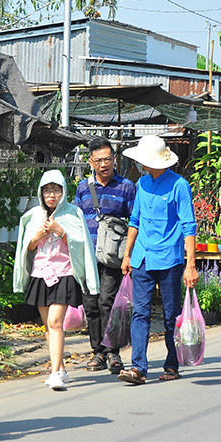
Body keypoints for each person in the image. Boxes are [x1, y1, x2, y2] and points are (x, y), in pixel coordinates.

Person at [118, 135, 198, 384]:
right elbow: (135, 221)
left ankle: (172, 365)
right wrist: (127, 253)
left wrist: (190, 265)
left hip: (169, 260)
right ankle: (138, 368)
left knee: (170, 315)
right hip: (142, 257)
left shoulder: (179, 186)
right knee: (140, 313)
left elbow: (188, 226)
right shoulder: (141, 184)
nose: (142, 165)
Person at [14, 170, 99, 390]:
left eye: (56, 190)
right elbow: (27, 247)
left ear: (63, 191)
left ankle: (55, 374)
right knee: (48, 325)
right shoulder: (33, 215)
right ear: (41, 193)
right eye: (47, 190)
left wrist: (60, 231)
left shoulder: (73, 214)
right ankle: (59, 366)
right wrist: (38, 236)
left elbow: (82, 245)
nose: (51, 195)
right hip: (41, 274)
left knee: (55, 322)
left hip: (64, 273)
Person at [74, 139, 136, 374]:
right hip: (87, 256)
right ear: (90, 162)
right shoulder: (83, 187)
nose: (104, 164)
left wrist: (129, 255)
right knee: (91, 305)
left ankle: (113, 352)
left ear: (114, 159)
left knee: (107, 302)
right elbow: (76, 219)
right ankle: (97, 352)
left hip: (112, 256)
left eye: (108, 159)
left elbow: (135, 222)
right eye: (98, 160)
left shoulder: (126, 186)